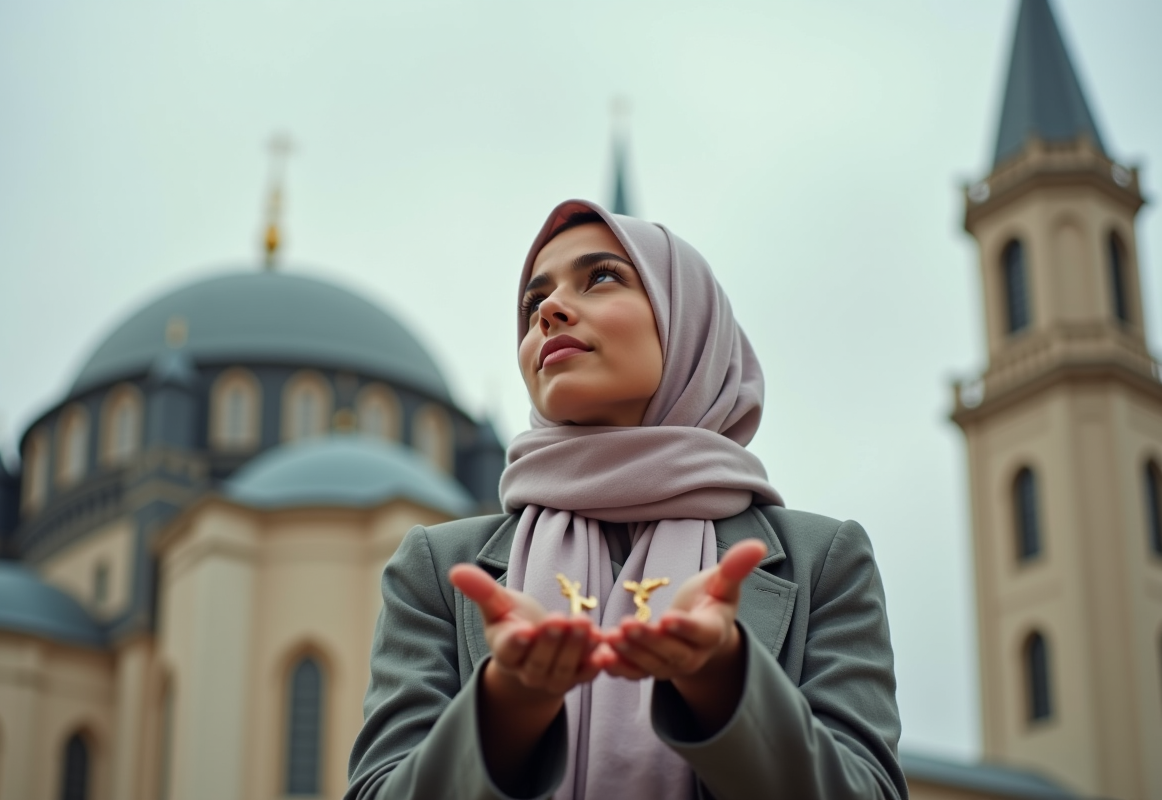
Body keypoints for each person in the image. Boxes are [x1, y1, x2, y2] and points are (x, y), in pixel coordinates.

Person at [345, 200, 906, 800]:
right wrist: (507, 707)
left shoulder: (822, 561)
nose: (550, 312)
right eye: (534, 305)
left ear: (688, 323)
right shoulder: (437, 568)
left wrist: (725, 685)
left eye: (601, 278)